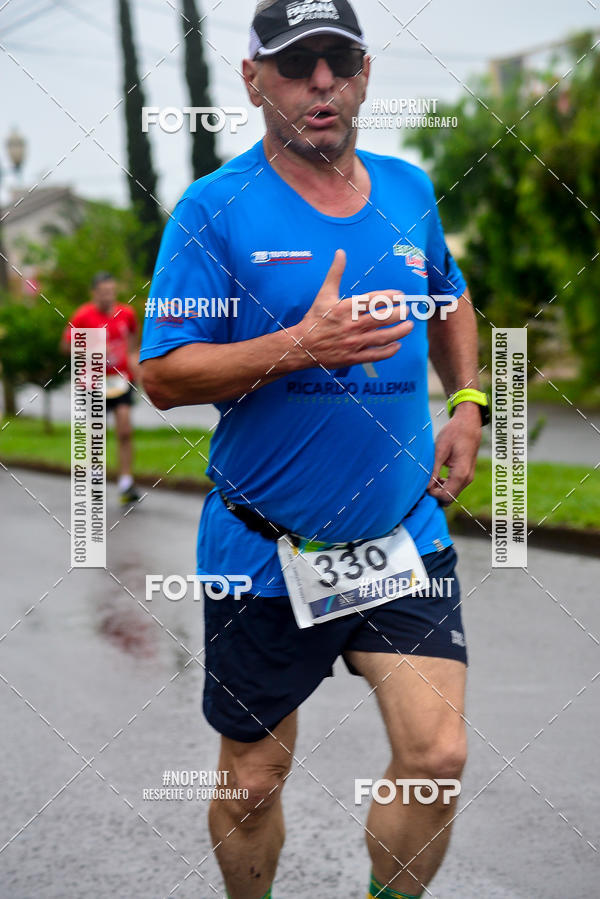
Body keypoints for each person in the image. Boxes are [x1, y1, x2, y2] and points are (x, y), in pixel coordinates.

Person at [141, 1, 490, 896]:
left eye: (340, 60)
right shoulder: (212, 211)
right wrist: (301, 344)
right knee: (254, 782)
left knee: (437, 754)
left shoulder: (409, 190)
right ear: (254, 80)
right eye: (298, 65)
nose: (322, 82)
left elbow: (450, 295)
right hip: (264, 546)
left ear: (366, 71)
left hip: (401, 534)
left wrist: (469, 401)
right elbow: (166, 375)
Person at [62, 272, 141, 504]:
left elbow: (134, 338)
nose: (109, 297)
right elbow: (66, 346)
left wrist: (134, 362)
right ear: (94, 292)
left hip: (120, 379)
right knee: (97, 433)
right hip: (92, 382)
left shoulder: (126, 313)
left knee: (125, 428)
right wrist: (93, 351)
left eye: (112, 292)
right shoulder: (83, 316)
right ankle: (94, 478)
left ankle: (126, 482)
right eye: (104, 292)